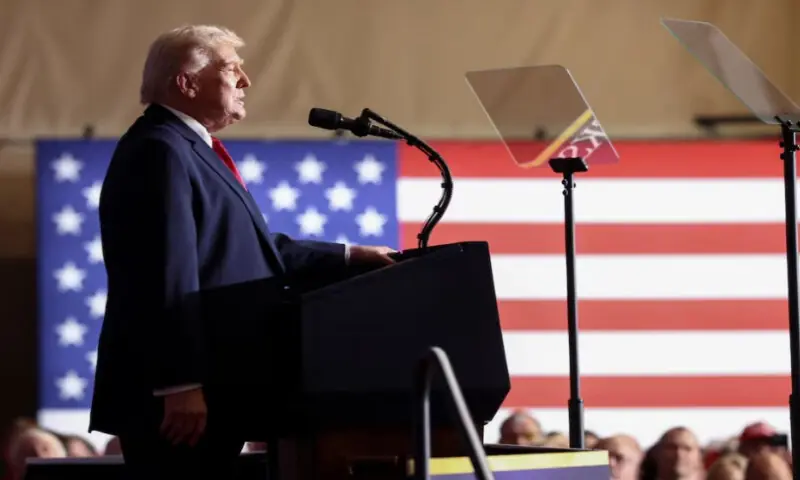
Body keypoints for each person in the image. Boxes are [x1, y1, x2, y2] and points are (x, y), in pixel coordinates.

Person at [88, 24, 396, 478]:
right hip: (181, 401)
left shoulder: (190, 148)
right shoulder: (159, 148)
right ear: (187, 83)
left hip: (216, 388)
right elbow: (162, 273)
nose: (246, 81)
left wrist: (349, 255)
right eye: (232, 69)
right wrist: (180, 383)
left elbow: (245, 249)